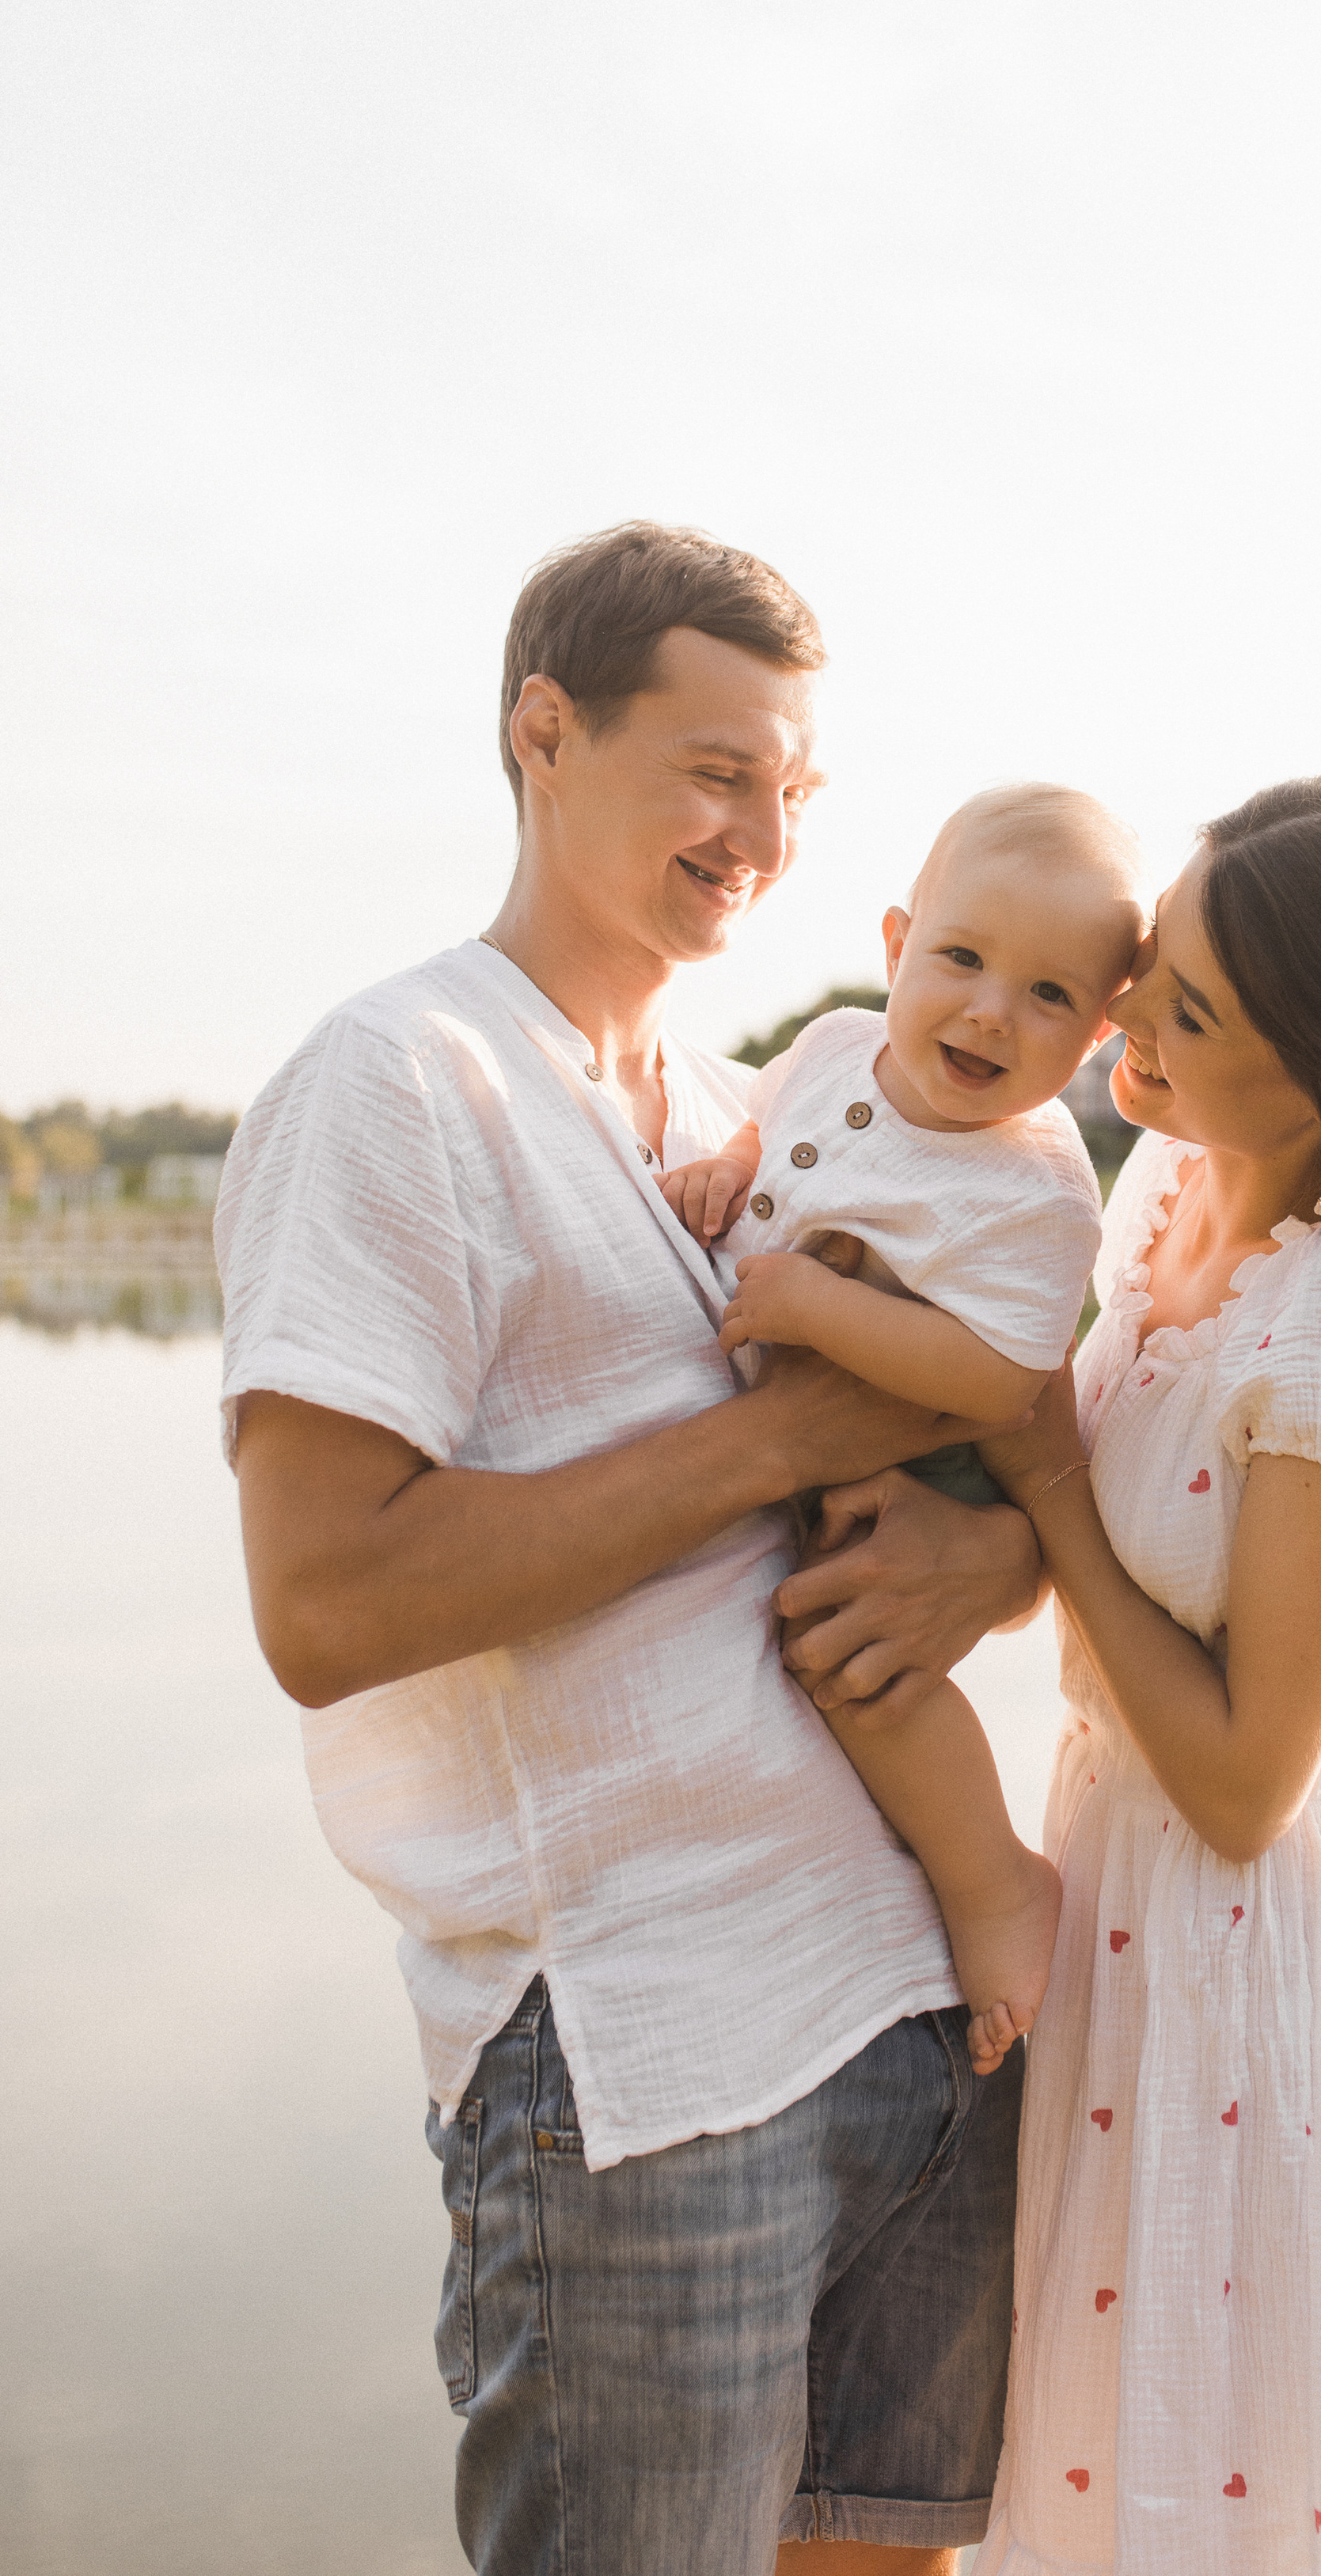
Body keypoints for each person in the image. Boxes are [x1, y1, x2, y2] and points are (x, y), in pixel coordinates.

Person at [215, 522, 1047, 2576]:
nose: (757, 831)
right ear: (543, 733)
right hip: (648, 2066)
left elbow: (1001, 1411)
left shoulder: (756, 1100)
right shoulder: (394, 1084)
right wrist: (777, 1431)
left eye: (793, 789)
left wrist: (997, 1568)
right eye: (712, 769)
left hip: (927, 2015)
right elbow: (326, 1608)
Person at [782, 775, 1321, 2576]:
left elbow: (1244, 1777)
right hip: (1106, 1907)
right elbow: (1116, 1534)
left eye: (1188, 1009)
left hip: (1243, 1965)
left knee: (1209, 2500)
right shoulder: (1166, 1184)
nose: (1123, 1014)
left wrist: (1041, 1490)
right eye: (1157, 962)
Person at [667, 783, 1144, 2068]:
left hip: (925, 1466)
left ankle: (995, 1884)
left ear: (1099, 1033)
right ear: (896, 948)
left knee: (860, 1665)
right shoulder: (831, 1044)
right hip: (799, 1420)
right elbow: (778, 1127)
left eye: (1050, 996)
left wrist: (817, 1305)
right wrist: (730, 1164)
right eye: (962, 960)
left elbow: (997, 1376)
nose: (991, 1010)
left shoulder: (1037, 1190)